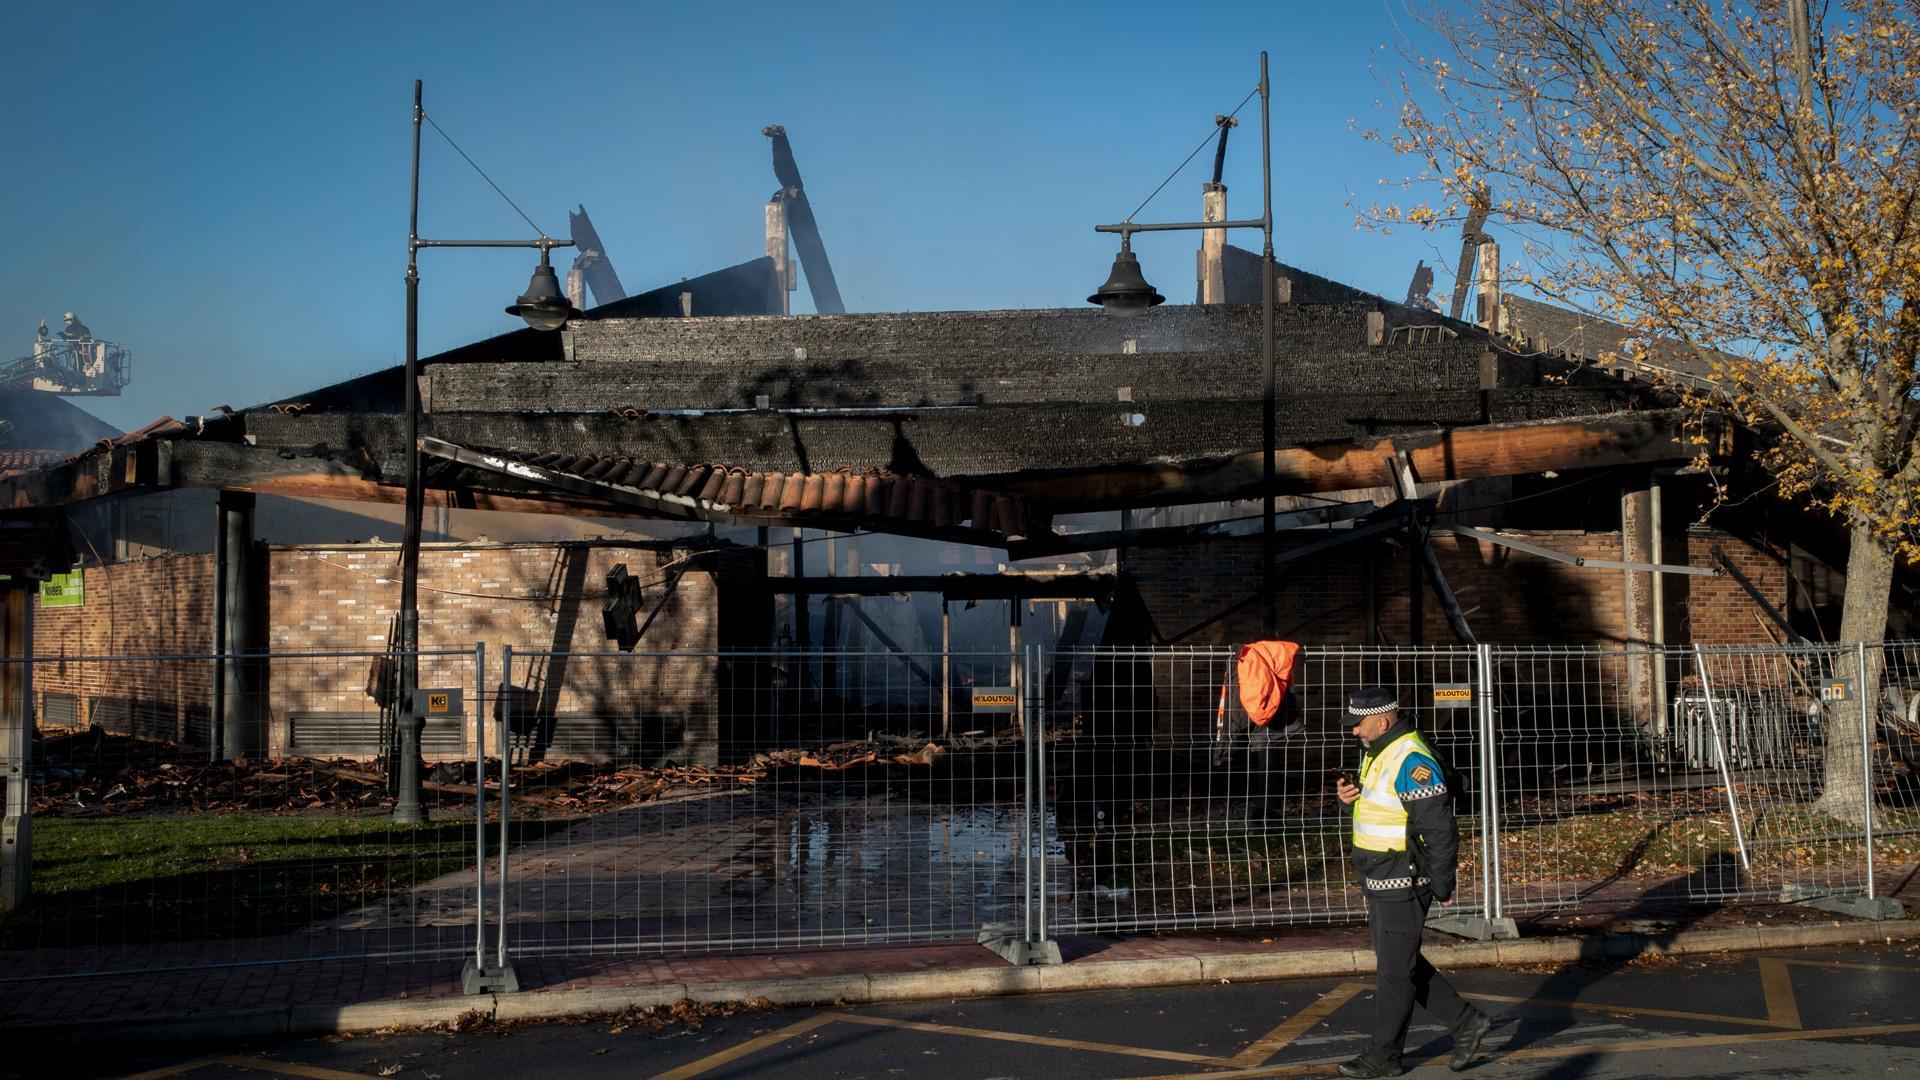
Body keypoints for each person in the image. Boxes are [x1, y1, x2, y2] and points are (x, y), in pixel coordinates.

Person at [1333, 687, 1492, 1077]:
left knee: (1393, 972)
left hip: (1404, 877)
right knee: (1398, 963)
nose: (1354, 731)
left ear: (1382, 721)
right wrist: (1348, 799)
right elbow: (1383, 806)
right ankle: (1466, 1022)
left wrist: (1443, 883)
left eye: (1359, 724)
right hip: (1382, 874)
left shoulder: (1411, 758)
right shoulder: (1382, 750)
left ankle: (1384, 1056)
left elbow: (1439, 828)